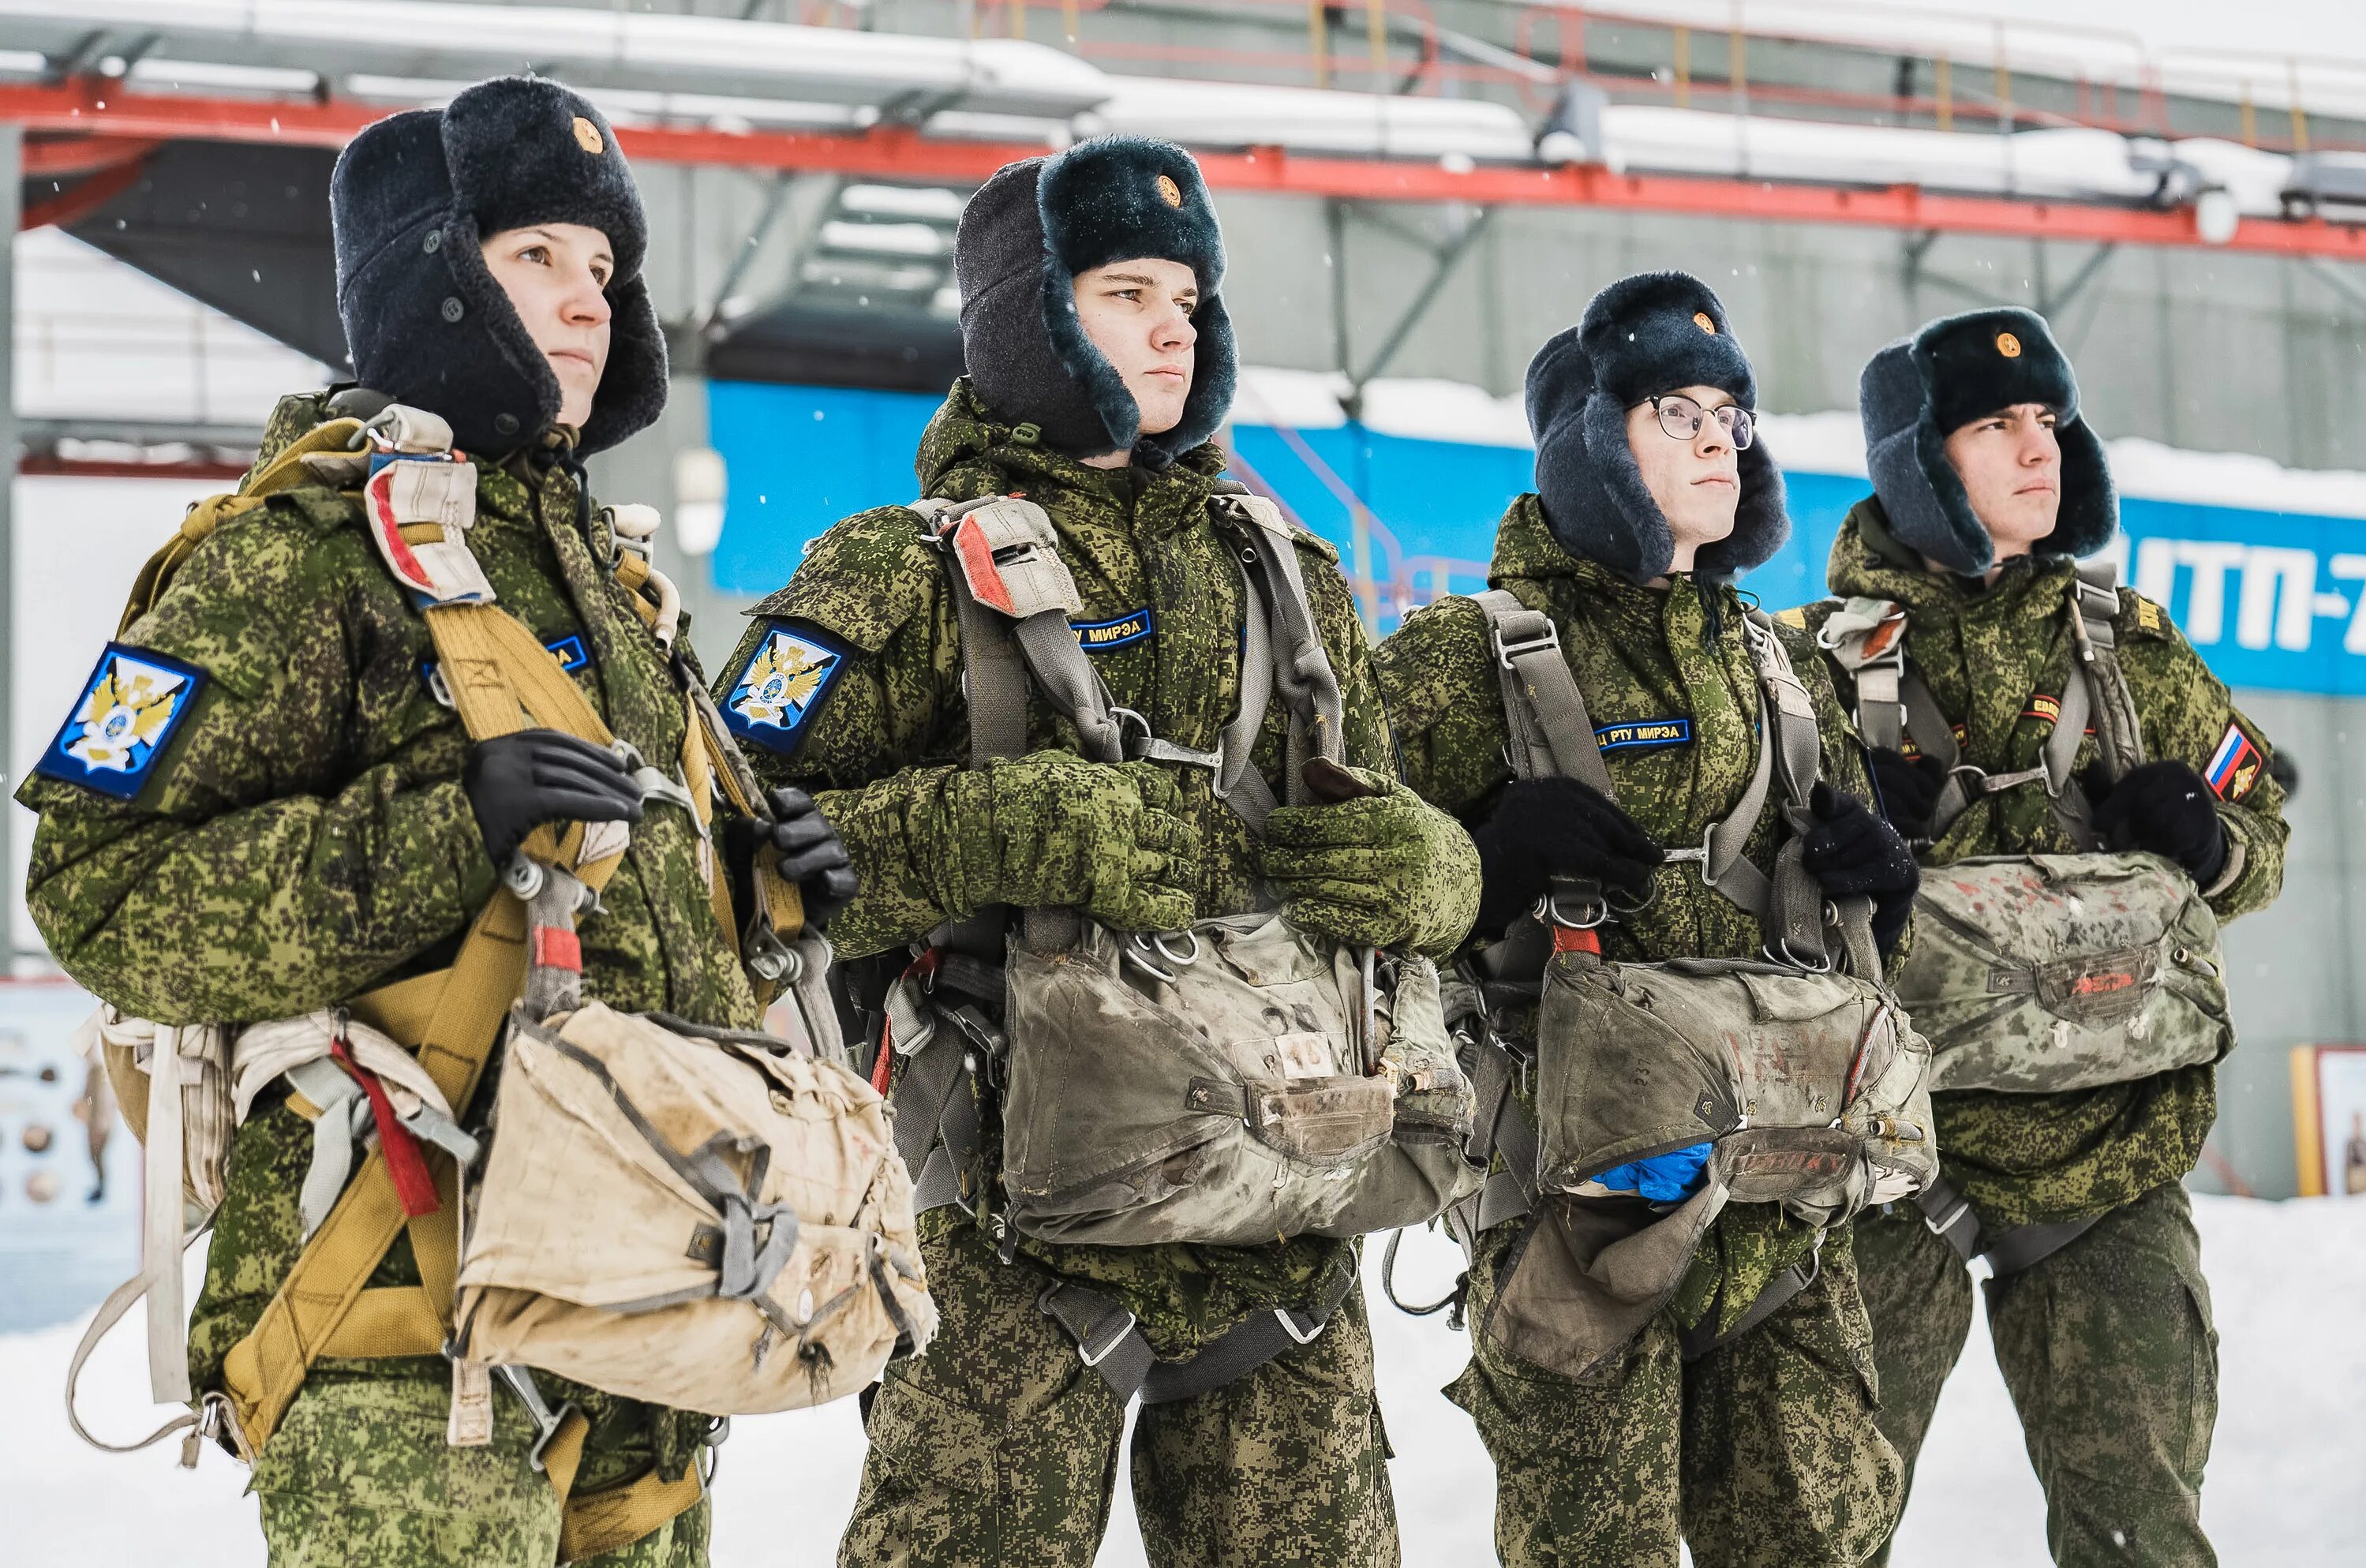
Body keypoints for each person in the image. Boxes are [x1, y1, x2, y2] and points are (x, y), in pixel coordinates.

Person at [17, 77, 855, 1567]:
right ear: (435, 273)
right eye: (538, 256)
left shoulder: (617, 584)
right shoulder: (292, 561)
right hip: (402, 1329)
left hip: (642, 1309)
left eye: (604, 269)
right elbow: (98, 895)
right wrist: (446, 825)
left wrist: (766, 887)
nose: (589, 298)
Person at [715, 135, 1480, 1566]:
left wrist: (1434, 873)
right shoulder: (893, 572)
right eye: (1127, 289)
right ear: (1031, 314)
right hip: (1002, 1233)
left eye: (1190, 293)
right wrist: (998, 827)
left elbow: (1398, 828)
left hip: (1282, 1210)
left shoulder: (1287, 569)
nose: (1174, 322)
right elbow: (732, 869)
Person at [1374, 271, 1921, 1566]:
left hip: (1780, 1200)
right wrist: (1479, 867)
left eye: (1731, 412)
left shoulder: (1782, 664)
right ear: (1592, 442)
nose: (1720, 437)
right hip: (1579, 1219)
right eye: (1678, 410)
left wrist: (1879, 887)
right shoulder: (1462, 660)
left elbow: (1859, 949)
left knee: (1821, 1544)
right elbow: (1330, 884)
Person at [1791, 306, 2289, 1568]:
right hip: (1882, 1171)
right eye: (1992, 424)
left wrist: (2207, 838)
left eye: (2049, 420)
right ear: (1919, 458)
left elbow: (2257, 844)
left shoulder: (2130, 651)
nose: (2036, 447)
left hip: (2108, 1164)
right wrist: (1815, 861)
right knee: (1808, 1539)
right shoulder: (1803, 667)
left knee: (2144, 1539)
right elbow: (1730, 919)